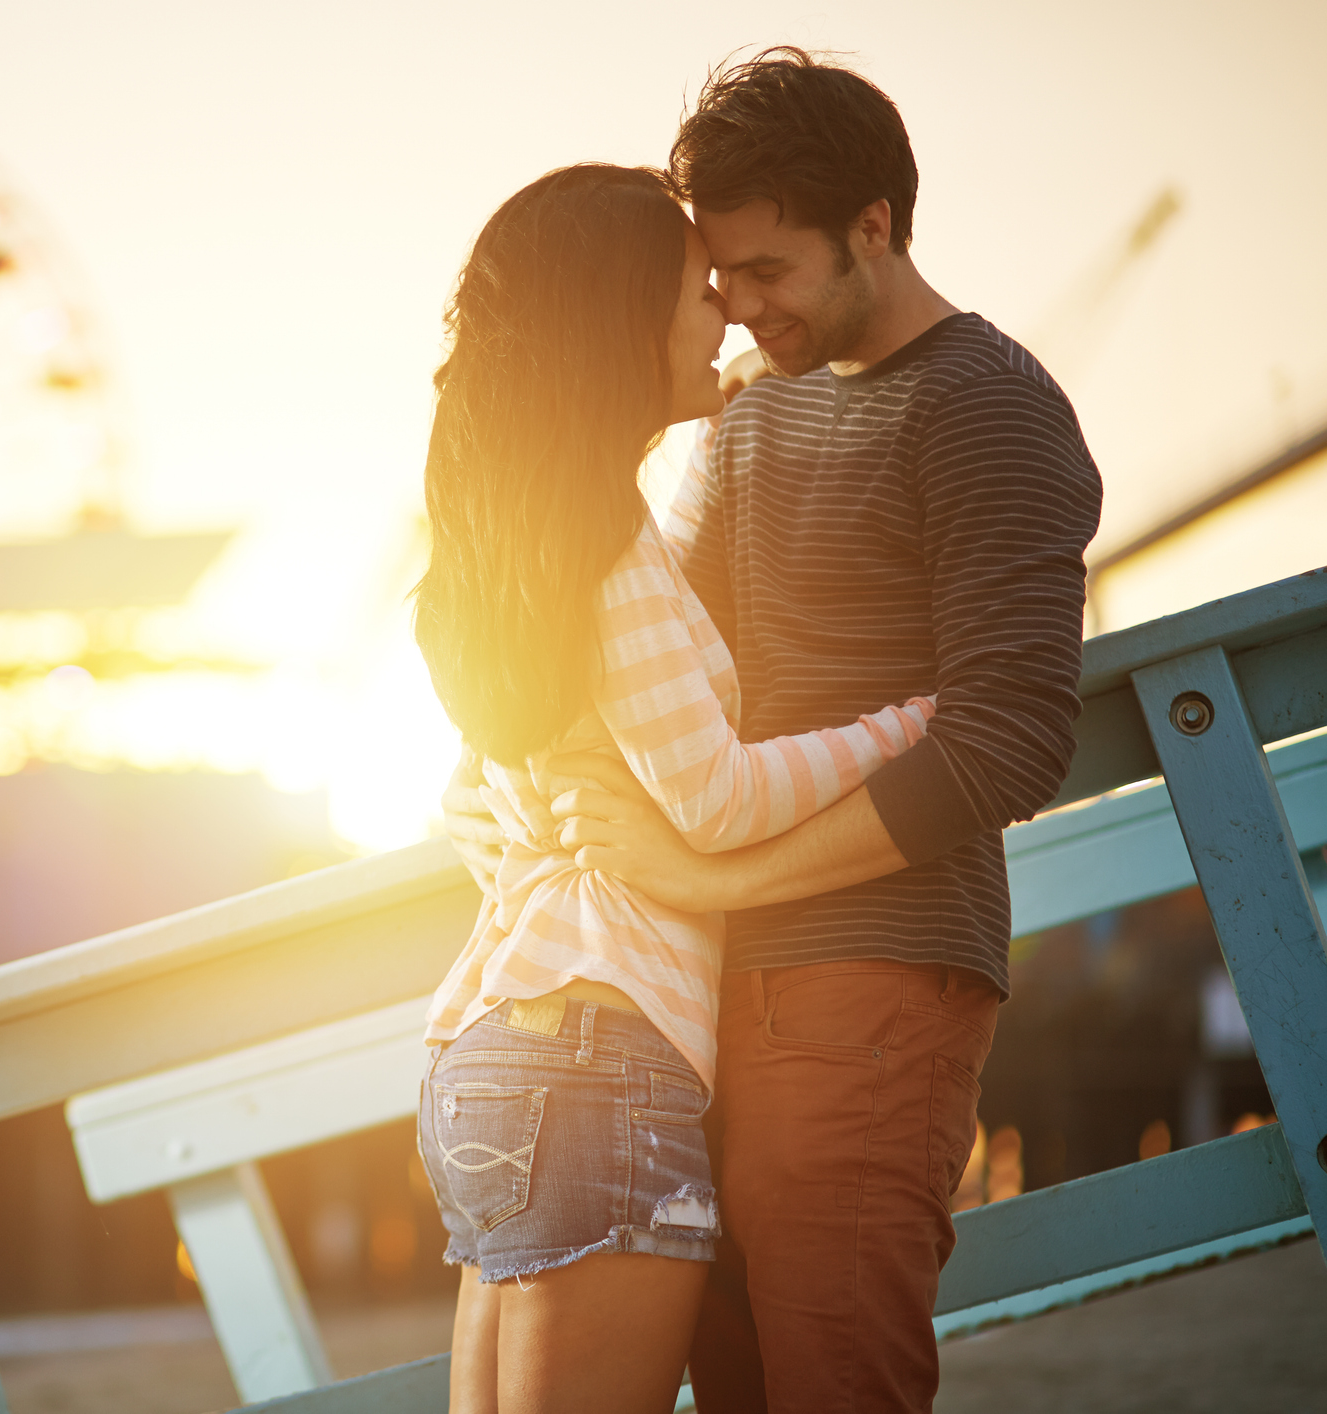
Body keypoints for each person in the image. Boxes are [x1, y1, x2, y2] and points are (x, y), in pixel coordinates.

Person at [446, 50, 1103, 1412]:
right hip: (695, 1001)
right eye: (718, 278)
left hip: (872, 979)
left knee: (829, 1378)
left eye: (766, 271)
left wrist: (711, 875)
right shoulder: (748, 418)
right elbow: (631, 648)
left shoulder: (988, 406)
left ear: (873, 223)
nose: (738, 311)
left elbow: (1009, 739)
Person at [411, 161, 941, 1414]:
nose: (728, 317)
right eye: (700, 293)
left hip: (490, 1050)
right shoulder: (606, 542)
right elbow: (711, 796)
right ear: (623, 327)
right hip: (601, 1056)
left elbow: (475, 804)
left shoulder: (512, 546)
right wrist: (911, 722)